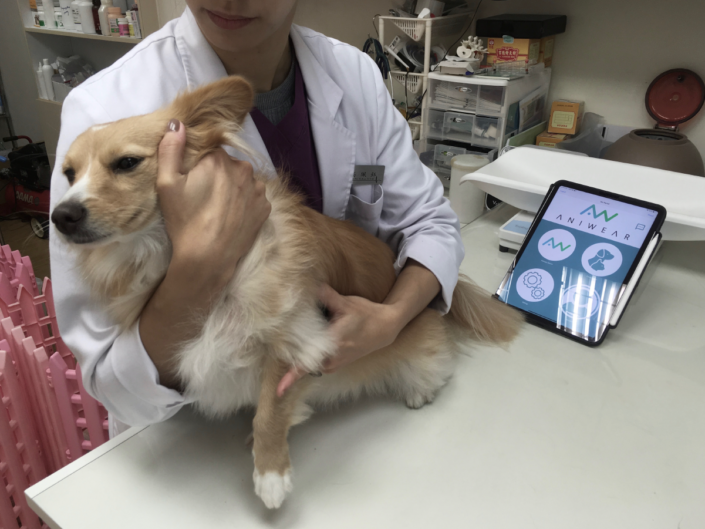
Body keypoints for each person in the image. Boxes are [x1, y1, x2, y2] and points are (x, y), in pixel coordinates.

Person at [49, 0, 464, 436]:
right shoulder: (104, 106)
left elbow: (430, 223)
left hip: (346, 398)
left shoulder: (355, 74)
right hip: (192, 429)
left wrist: (392, 319)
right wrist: (198, 266)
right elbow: (114, 383)